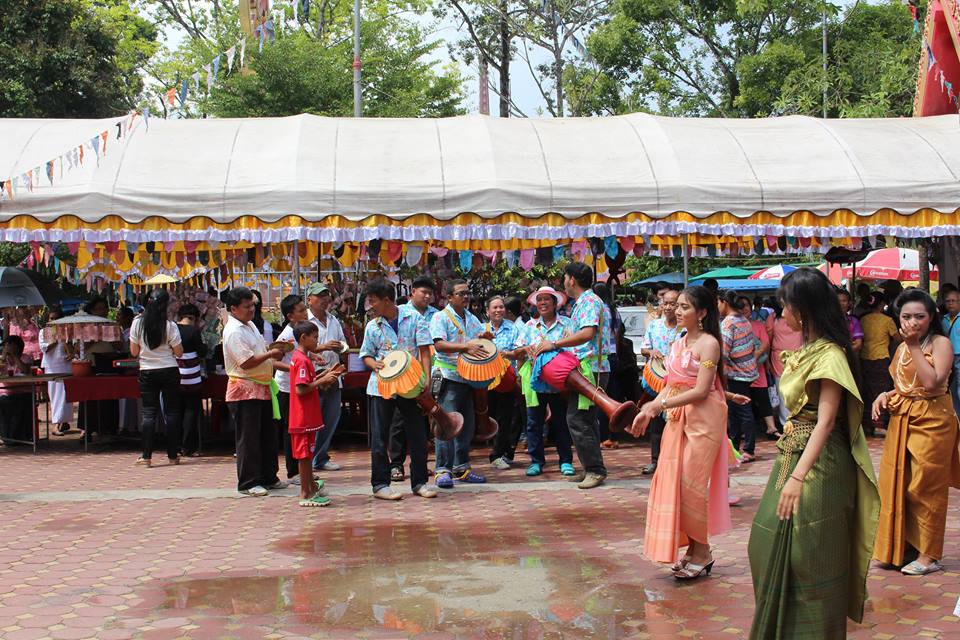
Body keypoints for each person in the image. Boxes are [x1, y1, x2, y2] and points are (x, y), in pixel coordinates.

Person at [748, 268, 879, 640]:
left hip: (820, 464)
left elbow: (826, 421)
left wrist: (797, 477)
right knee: (764, 542)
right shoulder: (807, 350)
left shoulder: (831, 355)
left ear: (802, 310)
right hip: (792, 453)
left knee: (811, 556)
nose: (781, 314)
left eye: (784, 306)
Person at [629, 285, 731, 579]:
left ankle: (703, 551)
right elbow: (671, 385)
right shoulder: (678, 342)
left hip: (703, 420)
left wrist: (660, 406)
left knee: (691, 486)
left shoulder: (709, 344)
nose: (677, 310)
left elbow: (701, 390)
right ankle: (694, 550)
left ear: (702, 313)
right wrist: (649, 409)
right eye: (677, 306)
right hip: (676, 418)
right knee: (676, 484)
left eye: (685, 306)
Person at [872, 289, 960, 576]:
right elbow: (906, 386)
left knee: (925, 488)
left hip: (933, 420)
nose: (913, 322)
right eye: (906, 317)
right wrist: (885, 395)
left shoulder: (940, 343)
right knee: (899, 484)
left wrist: (912, 346)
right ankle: (902, 548)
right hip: (904, 418)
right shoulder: (902, 347)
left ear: (931, 316)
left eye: (919, 316)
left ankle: (929, 555)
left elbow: (932, 384)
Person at [532, 263, 608, 490]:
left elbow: (587, 333)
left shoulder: (589, 301)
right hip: (586, 367)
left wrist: (555, 344)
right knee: (585, 419)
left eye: (565, 278)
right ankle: (591, 467)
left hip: (590, 368)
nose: (564, 282)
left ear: (572, 280)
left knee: (578, 419)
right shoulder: (583, 302)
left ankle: (595, 470)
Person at [360, 279, 438, 500]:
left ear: (386, 300)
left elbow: (425, 351)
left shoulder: (414, 318)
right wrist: (373, 364)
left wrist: (426, 379)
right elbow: (366, 354)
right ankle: (380, 485)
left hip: (410, 386)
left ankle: (419, 482)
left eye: (372, 301)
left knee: (417, 434)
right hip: (380, 387)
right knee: (379, 437)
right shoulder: (372, 326)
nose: (370, 306)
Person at [223, 287, 287, 496]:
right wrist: (271, 354)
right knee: (249, 438)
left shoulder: (249, 325)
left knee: (267, 435)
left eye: (252, 305)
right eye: (247, 306)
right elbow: (247, 362)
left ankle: (269, 476)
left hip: (262, 386)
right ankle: (248, 481)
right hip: (244, 389)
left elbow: (258, 352)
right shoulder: (233, 331)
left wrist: (273, 351)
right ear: (234, 308)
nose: (251, 309)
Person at [431, 279, 489, 488]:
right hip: (448, 376)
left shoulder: (471, 318)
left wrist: (485, 337)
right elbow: (439, 345)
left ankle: (461, 468)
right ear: (449, 297)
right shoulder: (440, 317)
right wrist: (466, 347)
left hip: (468, 376)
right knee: (446, 423)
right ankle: (442, 470)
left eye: (467, 293)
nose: (466, 297)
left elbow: (478, 341)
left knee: (466, 424)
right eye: (461, 293)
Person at [516, 286, 575, 477]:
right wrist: (525, 354)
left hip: (560, 383)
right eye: (539, 300)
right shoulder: (529, 326)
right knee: (534, 423)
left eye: (546, 299)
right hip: (535, 382)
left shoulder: (567, 324)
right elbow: (518, 351)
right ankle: (536, 461)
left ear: (555, 303)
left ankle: (565, 461)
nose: (542, 303)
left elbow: (575, 349)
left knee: (561, 422)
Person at [388, 276, 438, 482]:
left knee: (422, 421)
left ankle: (420, 465)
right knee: (399, 421)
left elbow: (427, 350)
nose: (427, 296)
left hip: (425, 374)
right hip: (401, 374)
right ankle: (396, 464)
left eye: (430, 293)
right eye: (423, 292)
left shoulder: (436, 315)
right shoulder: (401, 313)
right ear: (412, 292)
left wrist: (427, 376)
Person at [129, 289, 184, 468]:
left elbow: (134, 351)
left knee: (149, 413)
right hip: (169, 369)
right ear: (165, 305)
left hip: (147, 370)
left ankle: (146, 457)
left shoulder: (137, 323)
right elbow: (179, 352)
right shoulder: (170, 326)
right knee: (172, 413)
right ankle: (173, 455)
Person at [289, 321, 335, 507]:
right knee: (304, 457)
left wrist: (325, 375)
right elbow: (301, 389)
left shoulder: (303, 358)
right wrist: (322, 380)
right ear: (303, 338)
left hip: (305, 415)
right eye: (315, 338)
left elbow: (307, 382)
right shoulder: (301, 360)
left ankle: (311, 488)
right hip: (302, 416)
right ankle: (306, 492)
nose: (317, 341)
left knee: (307, 455)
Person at [306, 282, 348, 472]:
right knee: (311, 419)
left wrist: (340, 348)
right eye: (319, 296)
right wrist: (322, 347)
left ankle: (321, 456)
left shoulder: (333, 320)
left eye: (326, 296)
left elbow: (343, 344)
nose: (324, 299)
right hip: (312, 376)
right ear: (309, 299)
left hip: (333, 374)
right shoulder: (304, 321)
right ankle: (308, 458)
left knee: (330, 418)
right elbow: (298, 349)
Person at [639, 288, 681, 474]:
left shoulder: (684, 329)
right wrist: (651, 352)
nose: (669, 307)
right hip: (657, 382)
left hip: (678, 382)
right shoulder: (654, 326)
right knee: (656, 422)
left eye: (673, 304)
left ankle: (674, 462)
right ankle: (655, 460)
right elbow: (643, 349)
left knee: (675, 422)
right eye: (666, 303)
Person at [718, 290, 760, 462]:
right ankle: (735, 448)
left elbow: (723, 352)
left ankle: (747, 449)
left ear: (725, 302)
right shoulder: (744, 320)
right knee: (737, 411)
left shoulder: (728, 323)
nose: (717, 307)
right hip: (748, 371)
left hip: (736, 374)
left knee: (741, 411)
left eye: (718, 303)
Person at [483, 295, 525, 470]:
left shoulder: (513, 329)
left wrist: (506, 355)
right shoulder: (482, 329)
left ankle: (498, 454)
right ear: (488, 311)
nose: (498, 310)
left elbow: (520, 352)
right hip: (486, 380)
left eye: (501, 307)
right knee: (491, 415)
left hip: (507, 379)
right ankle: (501, 451)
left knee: (506, 416)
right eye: (494, 307)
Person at [275, 295, 310, 484]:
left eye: (305, 309)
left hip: (298, 386)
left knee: (301, 429)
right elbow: (274, 361)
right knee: (291, 430)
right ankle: (293, 471)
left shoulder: (299, 332)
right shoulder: (286, 336)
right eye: (301, 310)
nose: (305, 313)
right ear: (290, 316)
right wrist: (294, 368)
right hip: (286, 388)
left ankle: (302, 468)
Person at [861, 292, 900, 436]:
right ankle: (879, 423)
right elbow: (898, 338)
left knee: (867, 391)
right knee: (881, 390)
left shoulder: (863, 319)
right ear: (882, 304)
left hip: (864, 358)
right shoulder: (887, 320)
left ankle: (867, 424)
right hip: (881, 358)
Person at [739, 296, 777, 440]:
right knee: (744, 401)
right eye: (741, 306)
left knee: (763, 398)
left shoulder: (758, 325)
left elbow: (766, 343)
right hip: (740, 372)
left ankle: (771, 428)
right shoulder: (733, 326)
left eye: (746, 305)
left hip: (758, 370)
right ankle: (745, 430)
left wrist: (755, 356)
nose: (744, 308)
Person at [175, 304, 207, 457]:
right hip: (191, 376)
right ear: (194, 318)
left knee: (176, 411)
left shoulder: (171, 329)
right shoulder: (193, 331)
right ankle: (188, 446)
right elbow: (202, 351)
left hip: (174, 374)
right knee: (191, 410)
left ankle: (175, 445)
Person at [40, 306, 75, 435]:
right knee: (55, 395)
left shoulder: (68, 332)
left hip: (65, 366)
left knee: (66, 395)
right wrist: (56, 338)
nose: (53, 321)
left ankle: (62, 421)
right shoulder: (43, 332)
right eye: (51, 318)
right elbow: (45, 349)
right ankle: (56, 423)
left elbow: (71, 351)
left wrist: (64, 339)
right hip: (51, 367)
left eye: (56, 318)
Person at [770, 304, 803, 428]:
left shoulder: (803, 315)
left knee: (799, 390)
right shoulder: (773, 317)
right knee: (782, 390)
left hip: (799, 357)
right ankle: (786, 424)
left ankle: (799, 421)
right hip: (778, 358)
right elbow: (768, 338)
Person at [0, 335, 34, 445]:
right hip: (5, 391)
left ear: (17, 347)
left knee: (20, 402)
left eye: (9, 345)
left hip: (22, 391)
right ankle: (6, 437)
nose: (6, 348)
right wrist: (3, 358)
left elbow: (25, 370)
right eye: (5, 346)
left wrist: (15, 356)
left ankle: (20, 437)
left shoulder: (25, 358)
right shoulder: (3, 359)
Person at [943, 288, 960, 415]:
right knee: (951, 387)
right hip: (947, 357)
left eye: (953, 301)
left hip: (959, 356)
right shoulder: (943, 319)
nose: (950, 304)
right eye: (948, 301)